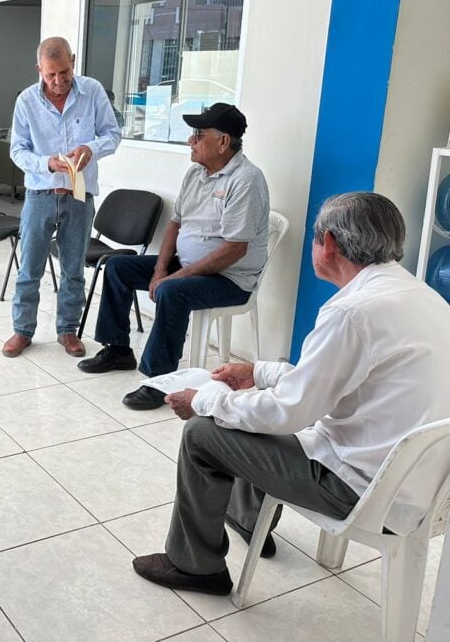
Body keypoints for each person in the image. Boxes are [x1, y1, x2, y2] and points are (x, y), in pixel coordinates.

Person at [132, 192, 450, 596]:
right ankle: (247, 518)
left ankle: (195, 567)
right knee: (253, 414)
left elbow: (290, 413)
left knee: (203, 433)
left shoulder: (352, 312)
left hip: (368, 491)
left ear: (329, 243)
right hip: (423, 489)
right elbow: (330, 382)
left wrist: (201, 400)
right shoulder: (416, 294)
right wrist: (259, 372)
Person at [78, 103, 270, 411]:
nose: (190, 141)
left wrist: (174, 277)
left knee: (172, 290)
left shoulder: (246, 180)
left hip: (230, 278)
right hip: (190, 265)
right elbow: (175, 224)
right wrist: (159, 269)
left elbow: (235, 249)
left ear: (223, 142)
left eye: (198, 134)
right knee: (118, 267)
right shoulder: (196, 173)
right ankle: (117, 349)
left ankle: (160, 378)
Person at [2, 36, 121, 360]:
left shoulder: (93, 91)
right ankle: (22, 330)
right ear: (39, 68)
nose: (58, 81)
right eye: (50, 74)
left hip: (79, 195)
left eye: (64, 72)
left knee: (73, 268)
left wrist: (90, 149)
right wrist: (46, 163)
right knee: (30, 268)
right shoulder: (26, 100)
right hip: (40, 192)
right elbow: (17, 150)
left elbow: (113, 134)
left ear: (73, 60)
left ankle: (67, 329)